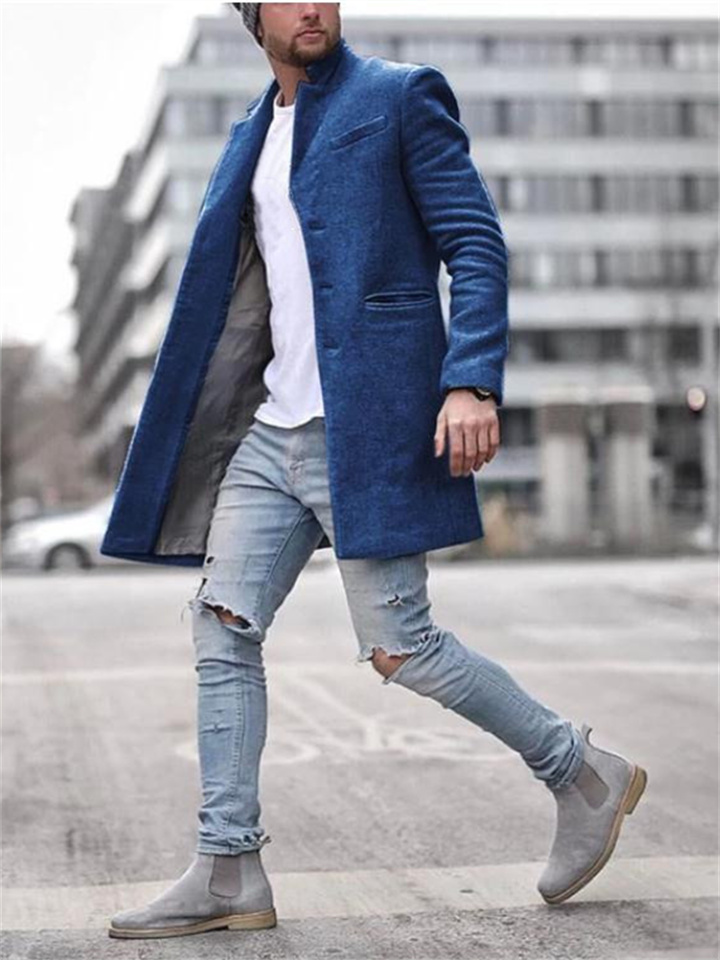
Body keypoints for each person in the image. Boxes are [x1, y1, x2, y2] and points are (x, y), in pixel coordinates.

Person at [107, 2, 647, 940]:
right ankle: (228, 865)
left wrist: (470, 380)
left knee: (403, 647)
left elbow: (474, 242)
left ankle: (581, 771)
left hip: (372, 428)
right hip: (270, 432)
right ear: (252, 16)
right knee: (222, 625)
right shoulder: (246, 137)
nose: (313, 6)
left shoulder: (399, 98)